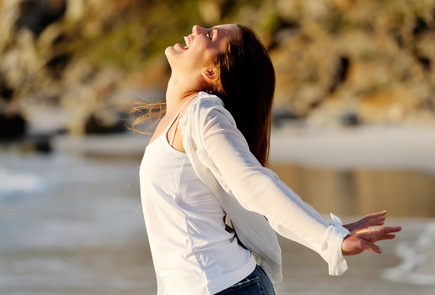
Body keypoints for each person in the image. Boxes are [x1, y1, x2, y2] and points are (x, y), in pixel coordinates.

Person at [132, 24, 401, 295]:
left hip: (220, 287)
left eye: (211, 36)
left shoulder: (203, 114)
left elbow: (254, 183)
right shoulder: (178, 119)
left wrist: (328, 238)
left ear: (212, 72)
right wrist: (328, 229)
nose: (196, 28)